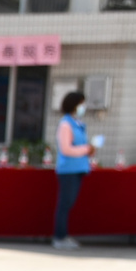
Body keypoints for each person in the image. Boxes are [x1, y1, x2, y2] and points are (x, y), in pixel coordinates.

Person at [52, 89, 98, 250]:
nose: (83, 106)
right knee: (65, 204)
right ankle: (59, 236)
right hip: (68, 170)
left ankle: (64, 235)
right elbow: (66, 149)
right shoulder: (65, 124)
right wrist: (86, 149)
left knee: (69, 203)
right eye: (82, 103)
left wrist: (90, 149)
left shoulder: (77, 123)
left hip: (79, 168)